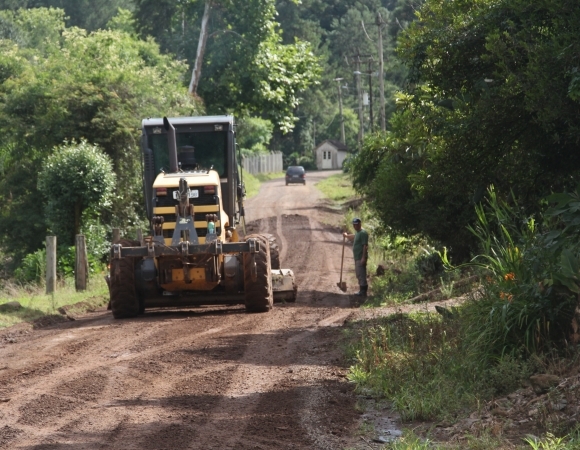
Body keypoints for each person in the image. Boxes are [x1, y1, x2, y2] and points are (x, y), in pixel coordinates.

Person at [343, 218, 369, 296]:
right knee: (358, 274)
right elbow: (354, 236)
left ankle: (363, 291)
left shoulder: (363, 233)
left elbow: (365, 245)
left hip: (361, 257)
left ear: (360, 224)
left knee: (361, 274)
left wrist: (363, 257)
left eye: (357, 224)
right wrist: (346, 236)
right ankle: (361, 290)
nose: (355, 226)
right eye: (354, 225)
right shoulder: (358, 232)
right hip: (357, 257)